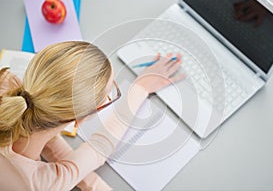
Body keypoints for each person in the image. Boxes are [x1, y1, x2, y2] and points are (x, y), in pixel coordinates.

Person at [0, 41, 184, 190]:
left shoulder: (5, 80)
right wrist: (140, 88)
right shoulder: (39, 184)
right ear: (79, 119)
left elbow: (59, 153)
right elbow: (99, 148)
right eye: (110, 93)